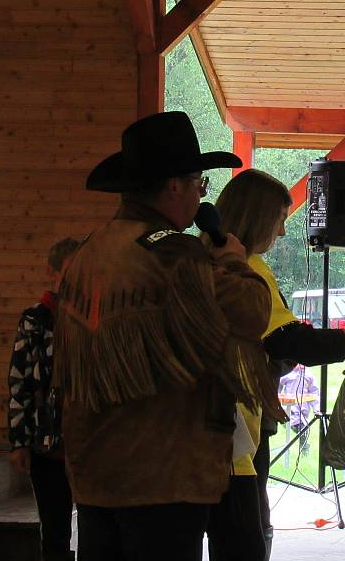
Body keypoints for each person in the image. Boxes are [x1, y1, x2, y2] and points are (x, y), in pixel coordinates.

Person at [53, 111, 282, 561]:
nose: (202, 195)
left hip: (96, 471)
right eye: (201, 184)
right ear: (174, 186)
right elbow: (251, 312)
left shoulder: (88, 250)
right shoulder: (172, 252)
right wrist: (233, 258)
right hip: (164, 473)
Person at [207, 168, 345, 561]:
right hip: (231, 433)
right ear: (259, 216)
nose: (282, 232)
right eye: (280, 220)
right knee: (243, 542)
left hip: (219, 426)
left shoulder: (210, 259)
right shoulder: (245, 268)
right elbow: (285, 339)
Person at [8, 237, 80, 561]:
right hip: (47, 442)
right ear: (52, 273)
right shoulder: (35, 319)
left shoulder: (92, 317)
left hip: (86, 443)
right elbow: (19, 381)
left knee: (94, 526)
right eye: (70, 272)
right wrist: (19, 441)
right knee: (54, 530)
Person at [279, 364, 321, 455]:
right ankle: (304, 449)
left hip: (304, 410)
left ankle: (303, 449)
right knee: (301, 428)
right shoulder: (287, 375)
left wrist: (316, 408)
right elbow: (278, 387)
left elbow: (314, 393)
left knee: (304, 429)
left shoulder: (309, 376)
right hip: (291, 409)